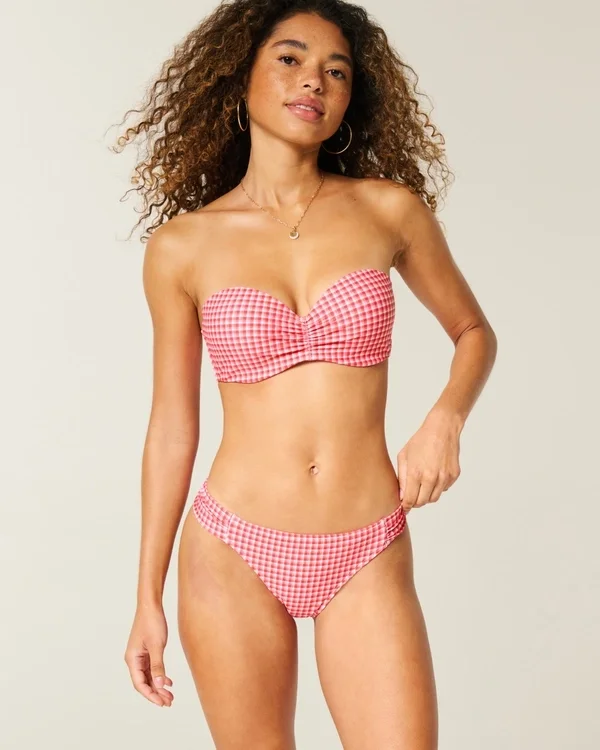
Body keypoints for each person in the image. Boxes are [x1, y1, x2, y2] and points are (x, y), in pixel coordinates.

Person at [117, 1, 498, 747]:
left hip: (366, 541)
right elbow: (171, 428)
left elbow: (473, 332)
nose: (314, 81)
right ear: (241, 78)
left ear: (352, 97)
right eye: (289, 59)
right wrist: (145, 597)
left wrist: (445, 418)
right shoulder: (183, 247)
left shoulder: (388, 211)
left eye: (336, 71)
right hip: (232, 548)